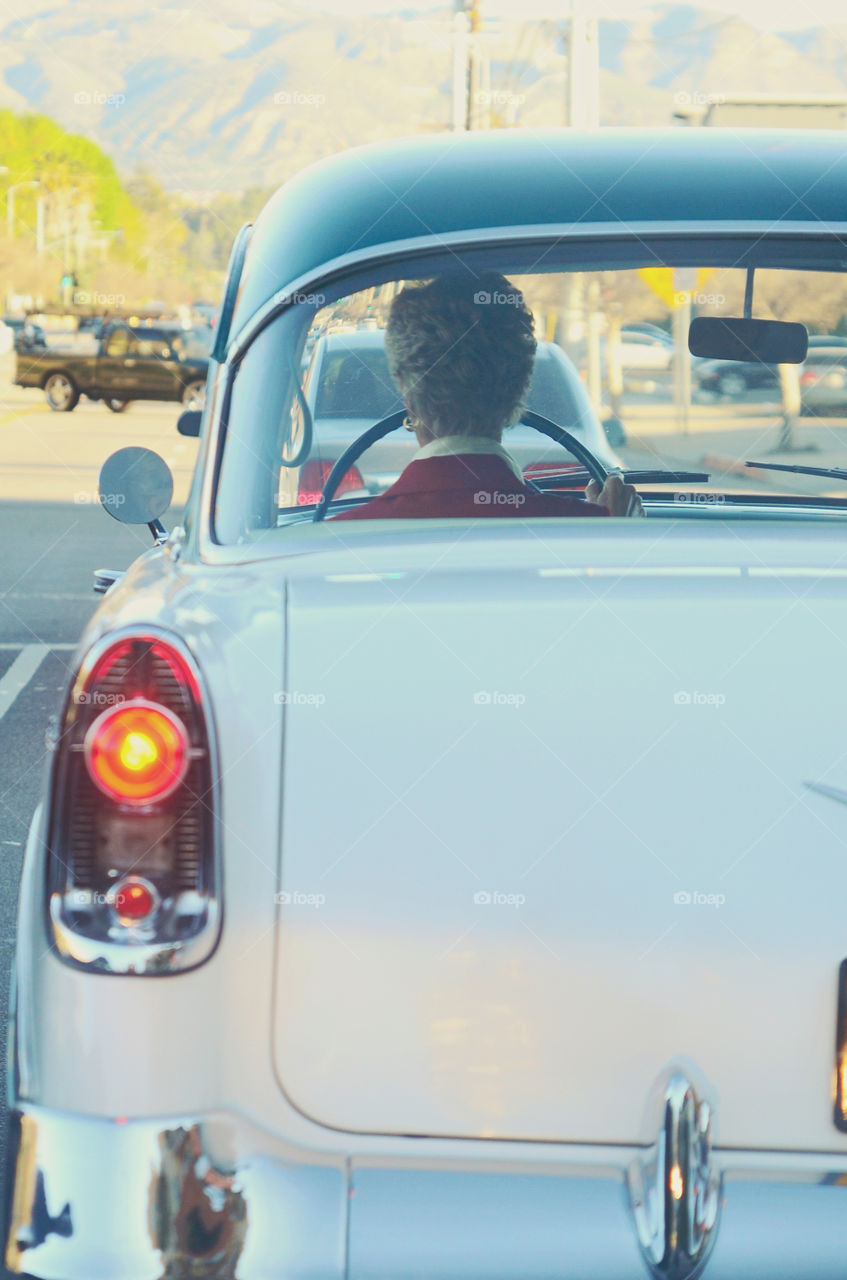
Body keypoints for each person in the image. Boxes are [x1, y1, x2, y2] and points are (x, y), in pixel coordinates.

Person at [332, 272, 642, 521]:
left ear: (405, 390)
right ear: (521, 386)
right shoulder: (594, 532)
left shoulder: (337, 544)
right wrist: (616, 525)